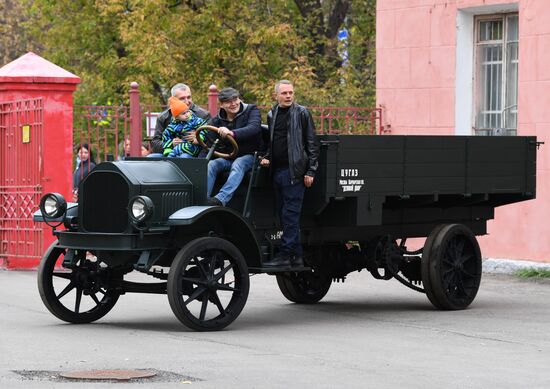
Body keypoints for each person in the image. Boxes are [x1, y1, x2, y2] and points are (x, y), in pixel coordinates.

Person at [260, 80, 319, 267]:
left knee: (290, 215)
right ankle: (298, 257)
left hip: (295, 173)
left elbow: (312, 144)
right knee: (283, 215)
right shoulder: (272, 114)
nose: (288, 96)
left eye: (291, 93)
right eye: (284, 93)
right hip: (277, 172)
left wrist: (311, 170)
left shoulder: (302, 113)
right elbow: (274, 141)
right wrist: (267, 156)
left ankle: (286, 255)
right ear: (276, 95)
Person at [207, 87, 261, 206]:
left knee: (239, 163)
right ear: (221, 105)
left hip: (251, 156)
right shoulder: (216, 120)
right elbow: (209, 143)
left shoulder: (251, 110)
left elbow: (254, 128)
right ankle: (203, 198)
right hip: (229, 157)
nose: (233, 104)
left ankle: (221, 199)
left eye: (235, 99)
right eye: (228, 101)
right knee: (212, 164)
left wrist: (232, 133)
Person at [150, 83, 210, 157]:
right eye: (182, 98)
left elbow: (212, 141)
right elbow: (155, 143)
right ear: (174, 99)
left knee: (183, 157)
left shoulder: (203, 115)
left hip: (193, 154)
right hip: (170, 152)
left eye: (189, 97)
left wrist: (198, 138)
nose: (187, 101)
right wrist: (171, 144)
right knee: (151, 157)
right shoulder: (163, 117)